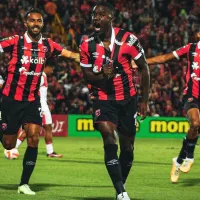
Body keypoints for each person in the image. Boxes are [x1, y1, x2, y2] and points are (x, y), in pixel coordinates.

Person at [0, 8, 79, 195]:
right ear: (26, 24)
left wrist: (90, 59)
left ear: (42, 24)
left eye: (39, 21)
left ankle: (24, 184)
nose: (36, 24)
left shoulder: (48, 45)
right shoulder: (15, 41)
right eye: (32, 21)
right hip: (11, 99)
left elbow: (71, 54)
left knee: (34, 137)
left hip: (32, 100)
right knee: (9, 145)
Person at [80, 3, 150, 200]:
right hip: (102, 99)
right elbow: (86, 75)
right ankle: (121, 192)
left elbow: (144, 68)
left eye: (101, 14)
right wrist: (102, 75)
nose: (96, 18)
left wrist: (144, 100)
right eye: (94, 15)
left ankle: (120, 182)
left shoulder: (129, 40)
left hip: (128, 100)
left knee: (128, 148)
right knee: (110, 139)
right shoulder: (87, 44)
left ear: (111, 17)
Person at [144, 32, 200, 183]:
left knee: (195, 130)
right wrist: (140, 62)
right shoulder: (191, 49)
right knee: (195, 123)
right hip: (192, 95)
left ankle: (178, 160)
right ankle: (189, 157)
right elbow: (164, 58)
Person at [15, 60, 63, 158]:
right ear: (47, 67)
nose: (52, 72)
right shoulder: (40, 76)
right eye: (52, 69)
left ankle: (50, 152)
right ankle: (13, 148)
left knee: (44, 128)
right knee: (31, 130)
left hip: (42, 105)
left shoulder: (43, 75)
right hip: (39, 106)